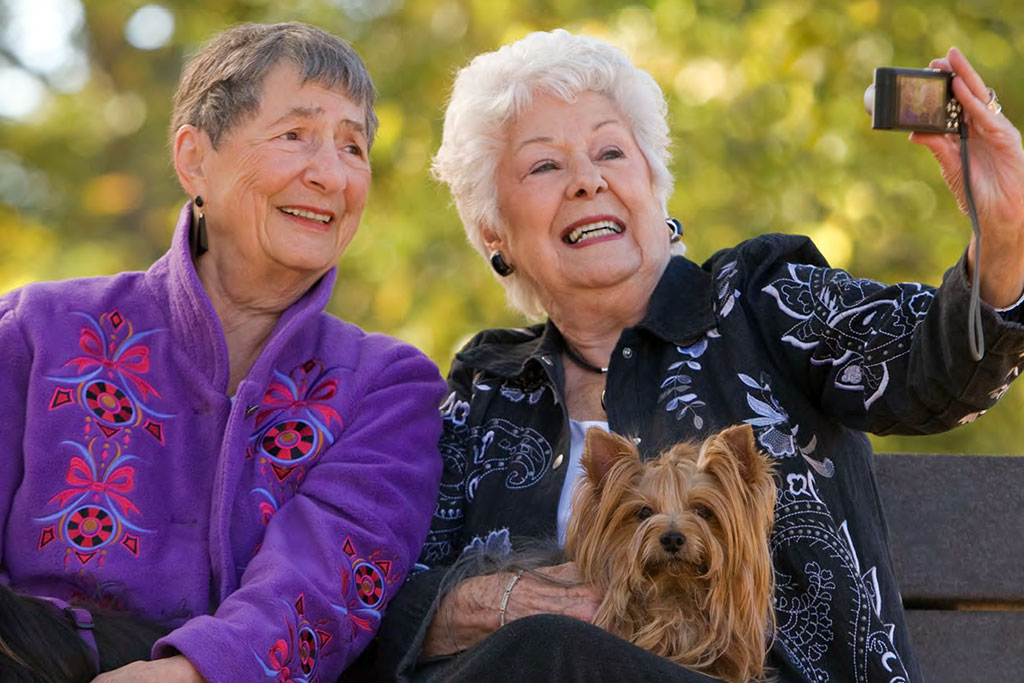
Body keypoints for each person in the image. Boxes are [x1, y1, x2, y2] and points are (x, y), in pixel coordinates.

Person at [370, 29, 1024, 682]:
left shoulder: (760, 304)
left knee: (550, 649)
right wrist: (493, 602)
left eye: (610, 151)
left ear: (654, 181)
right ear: (494, 230)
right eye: (545, 165)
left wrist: (1004, 239)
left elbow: (939, 368)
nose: (587, 181)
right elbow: (371, 599)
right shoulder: (485, 393)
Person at [0, 22, 445, 683]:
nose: (329, 174)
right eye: (295, 134)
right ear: (194, 158)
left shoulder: (387, 387)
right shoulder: (37, 330)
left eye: (353, 146)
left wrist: (192, 673)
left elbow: (327, 580)